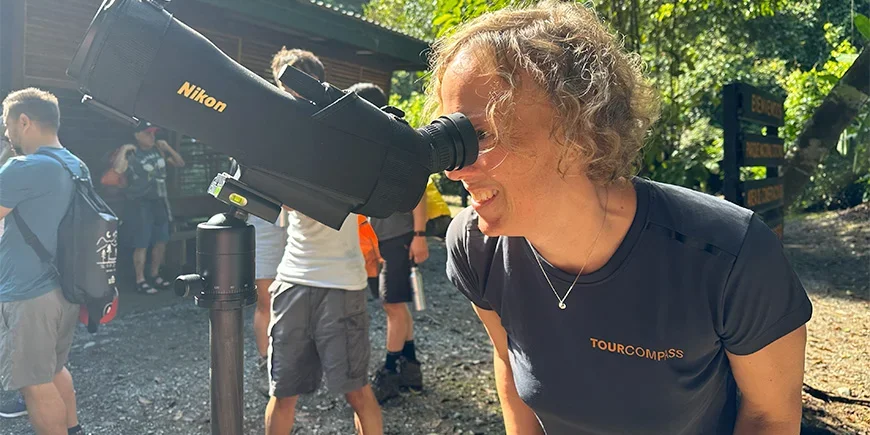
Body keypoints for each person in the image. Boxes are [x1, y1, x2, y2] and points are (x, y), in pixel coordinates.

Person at [434, 2, 813, 434]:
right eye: (451, 137)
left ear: (580, 129)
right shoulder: (475, 247)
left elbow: (771, 416)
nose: (453, 169)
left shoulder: (730, 255)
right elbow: (509, 367)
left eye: (479, 134)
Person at [264, 48, 383, 435]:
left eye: (293, 85)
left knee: (357, 392)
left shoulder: (346, 136)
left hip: (341, 283)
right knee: (282, 392)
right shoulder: (279, 138)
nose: (288, 96)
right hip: (294, 276)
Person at [0, 88, 87, 435]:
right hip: (63, 286)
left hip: (28, 291)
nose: (7, 136)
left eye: (8, 127)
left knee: (34, 383)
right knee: (53, 369)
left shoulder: (23, 167)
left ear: (24, 121)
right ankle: (74, 429)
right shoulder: (75, 164)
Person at [347, 82, 430, 404]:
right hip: (380, 236)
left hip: (400, 235)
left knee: (392, 305)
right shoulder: (372, 141)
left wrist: (420, 236)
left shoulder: (398, 139)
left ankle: (390, 371)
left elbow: (419, 187)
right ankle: (412, 371)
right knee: (396, 304)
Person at [110, 122, 185, 294]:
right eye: (148, 134)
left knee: (161, 240)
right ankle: (140, 280)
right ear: (137, 135)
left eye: (153, 134)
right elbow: (117, 169)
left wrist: (168, 148)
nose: (152, 137)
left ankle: (154, 275)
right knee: (141, 242)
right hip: (139, 203)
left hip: (160, 202)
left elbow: (179, 163)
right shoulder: (132, 153)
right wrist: (123, 150)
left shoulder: (158, 150)